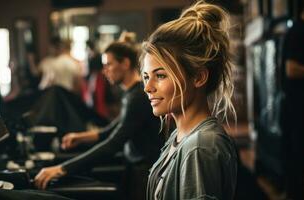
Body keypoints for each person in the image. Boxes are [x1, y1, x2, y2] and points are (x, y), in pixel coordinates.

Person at [34, 42, 162, 199]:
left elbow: (114, 143)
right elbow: (110, 131)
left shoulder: (137, 97)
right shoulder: (130, 94)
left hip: (144, 173)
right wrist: (80, 137)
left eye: (109, 64)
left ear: (125, 64)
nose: (105, 70)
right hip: (134, 168)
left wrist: (62, 169)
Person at [141, 1, 237, 199]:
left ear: (199, 77)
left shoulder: (200, 146)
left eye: (160, 76)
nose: (147, 87)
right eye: (145, 76)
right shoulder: (180, 136)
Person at [281, 3, 304, 200]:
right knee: (297, 156)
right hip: (297, 107)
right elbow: (291, 69)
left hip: (299, 106)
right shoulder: (298, 31)